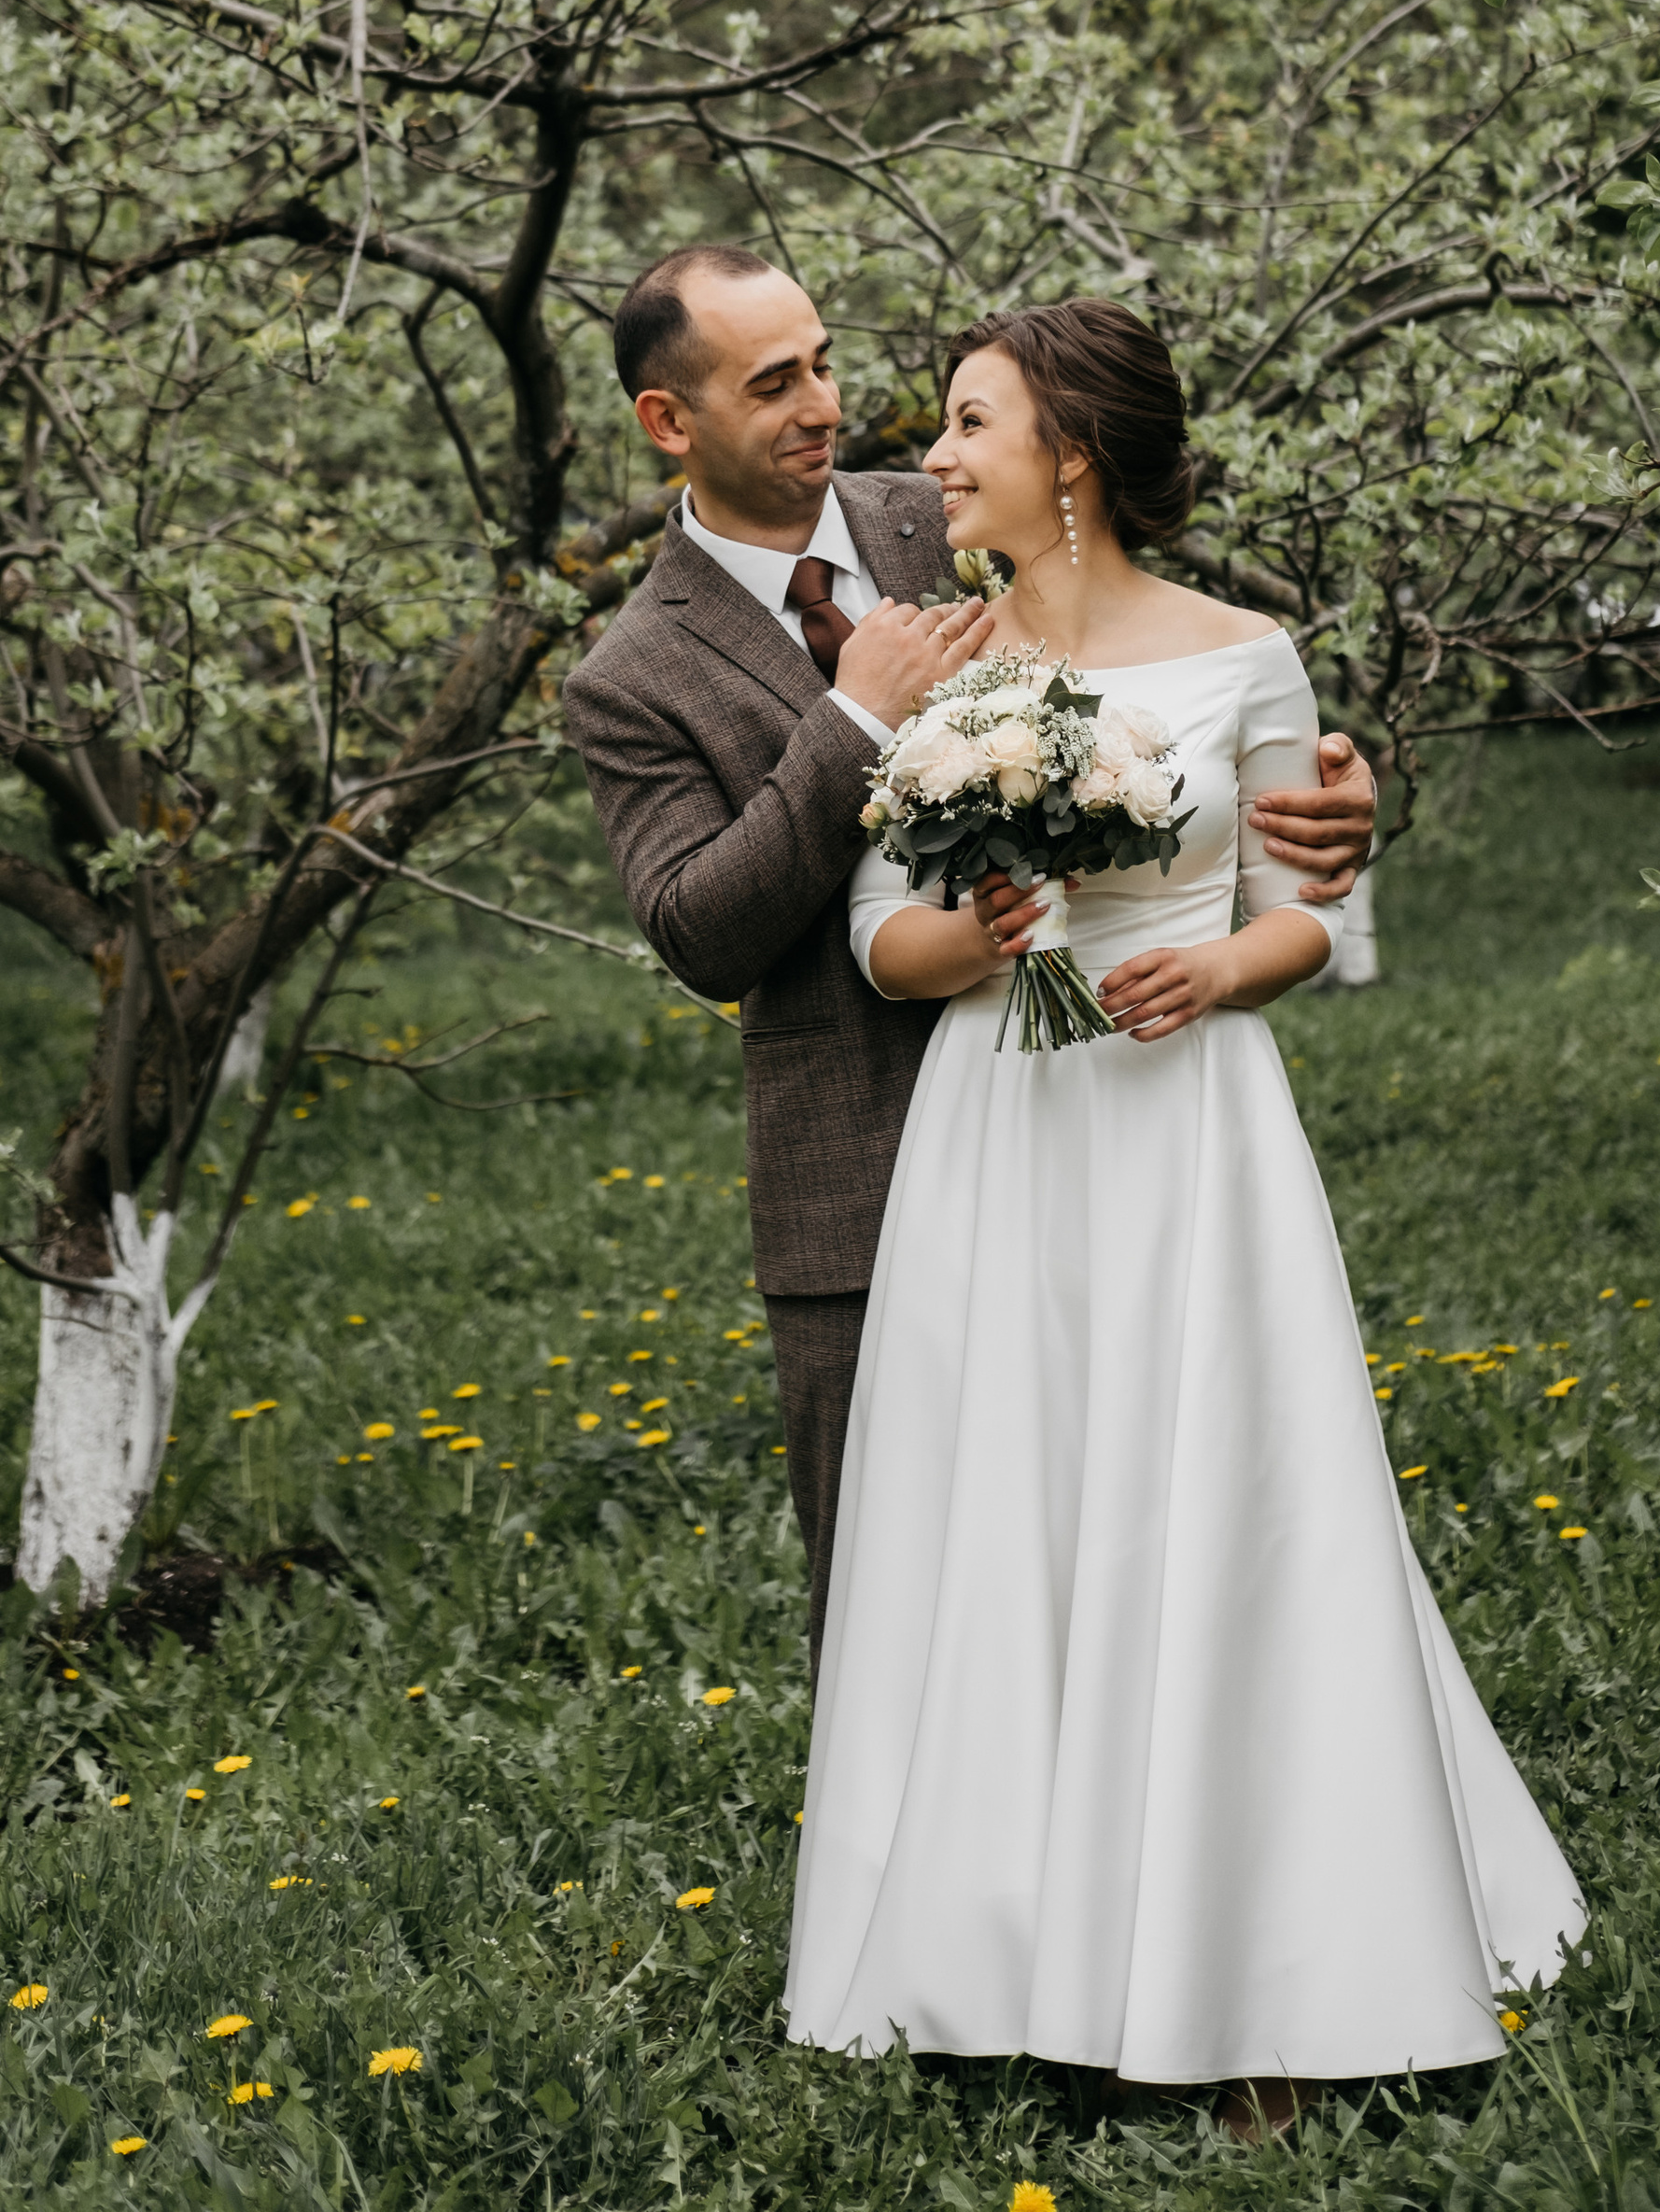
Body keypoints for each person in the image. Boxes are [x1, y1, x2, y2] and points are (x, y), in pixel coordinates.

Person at [782, 299, 1583, 2135]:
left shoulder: (1245, 659)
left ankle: (1269, 1983)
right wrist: (969, 936)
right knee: (1016, 1522)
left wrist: (1219, 968)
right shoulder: (951, 674)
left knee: (1218, 1519)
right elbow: (878, 943)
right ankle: (999, 1963)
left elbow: (1303, 905)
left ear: (1067, 453)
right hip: (1001, 1140)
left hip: (1186, 1138)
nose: (936, 458)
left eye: (970, 424)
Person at [559, 245, 1378, 1682]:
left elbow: (1169, 681)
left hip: (1132, 1125)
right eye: (774, 384)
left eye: (821, 359)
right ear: (667, 424)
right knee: (912, 1618)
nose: (829, 406)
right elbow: (701, 931)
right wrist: (852, 722)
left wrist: (1338, 810)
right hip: (868, 1178)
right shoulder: (632, 677)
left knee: (1160, 1546)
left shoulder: (942, 518)